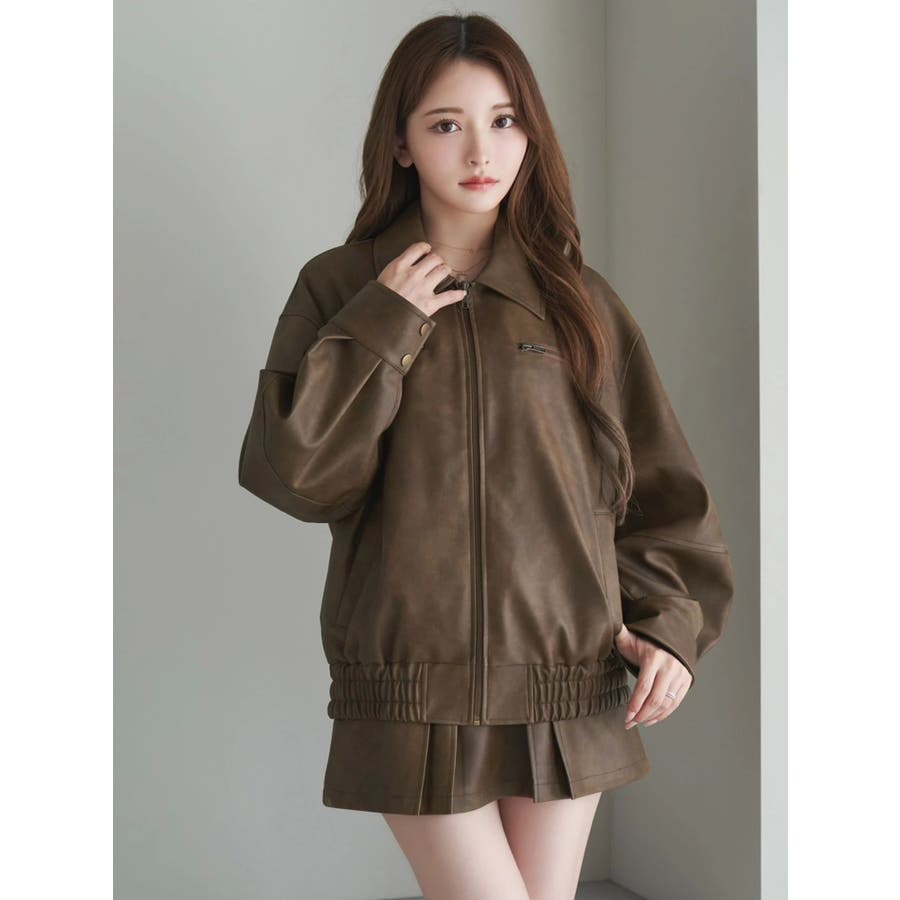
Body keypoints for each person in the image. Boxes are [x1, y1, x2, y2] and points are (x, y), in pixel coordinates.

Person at [238, 12, 734, 900]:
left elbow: (662, 494)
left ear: (530, 134)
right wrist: (383, 326)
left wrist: (671, 627)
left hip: (569, 681)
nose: (481, 150)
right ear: (401, 143)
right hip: (413, 690)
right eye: (446, 124)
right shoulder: (340, 287)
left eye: (505, 121)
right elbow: (299, 477)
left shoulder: (580, 303)